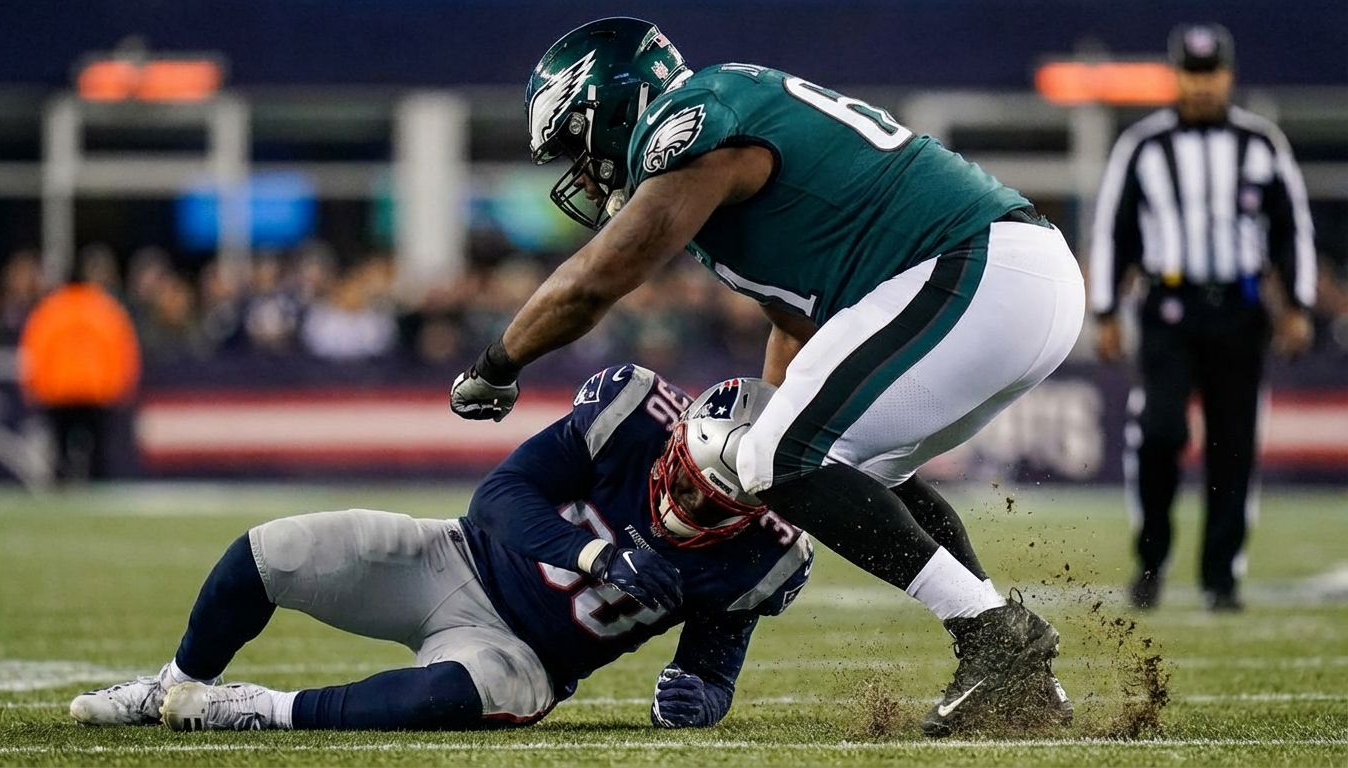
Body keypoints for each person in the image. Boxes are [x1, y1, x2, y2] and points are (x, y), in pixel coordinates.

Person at [448, 18, 1083, 736]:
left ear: (612, 106)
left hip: (978, 268)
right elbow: (796, 323)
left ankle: (993, 637)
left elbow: (599, 280)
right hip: (1007, 279)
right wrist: (776, 438)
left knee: (775, 457)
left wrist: (497, 363)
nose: (582, 170)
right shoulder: (728, 113)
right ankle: (1017, 672)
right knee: (847, 466)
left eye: (574, 143)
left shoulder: (689, 124)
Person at [70, 365, 813, 732]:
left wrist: (700, 699)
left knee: (440, 698)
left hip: (528, 660)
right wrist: (595, 557)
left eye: (712, 504)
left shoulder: (766, 553)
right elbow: (496, 499)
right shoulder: (631, 411)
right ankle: (166, 683)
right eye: (685, 482)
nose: (685, 505)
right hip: (454, 557)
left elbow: (713, 666)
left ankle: (255, 709)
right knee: (272, 551)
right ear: (677, 438)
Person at [1088, 22, 1316, 613]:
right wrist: (1106, 310)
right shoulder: (1142, 145)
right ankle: (1152, 558)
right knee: (1160, 432)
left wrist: (1297, 304)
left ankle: (1221, 577)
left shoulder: (1261, 144)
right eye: (1191, 73)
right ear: (1176, 76)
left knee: (1233, 446)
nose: (1201, 85)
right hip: (1169, 307)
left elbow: (1292, 229)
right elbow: (1113, 228)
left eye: (1211, 72)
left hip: (1240, 312)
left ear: (1228, 75)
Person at [18, 252, 141, 483]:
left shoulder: (49, 311)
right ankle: (96, 489)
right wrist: (121, 387)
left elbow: (35, 354)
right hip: (96, 391)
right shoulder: (104, 309)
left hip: (59, 390)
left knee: (61, 449)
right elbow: (121, 352)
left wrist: (34, 388)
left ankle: (61, 489)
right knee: (97, 450)